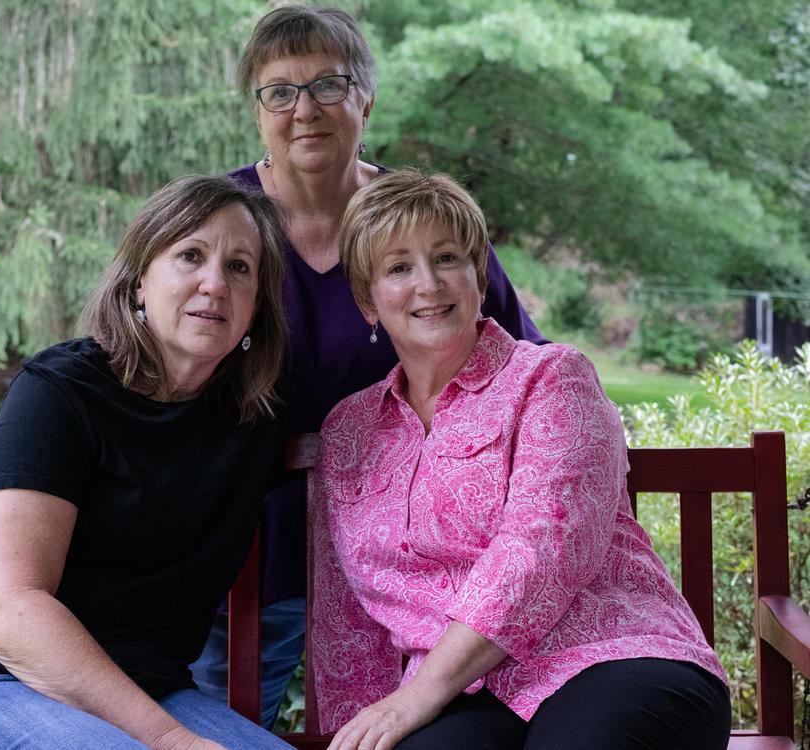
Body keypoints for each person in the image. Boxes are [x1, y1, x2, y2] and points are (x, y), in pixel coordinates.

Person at [191, 6, 547, 729]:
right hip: (248, 547)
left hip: (417, 557)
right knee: (216, 726)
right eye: (280, 91)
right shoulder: (220, 226)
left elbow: (523, 366)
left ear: (366, 100)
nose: (305, 109)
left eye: (329, 84)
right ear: (256, 111)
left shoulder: (422, 228)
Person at [310, 169, 732, 750]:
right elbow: (347, 620)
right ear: (368, 302)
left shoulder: (551, 379)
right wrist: (354, 731)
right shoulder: (350, 430)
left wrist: (417, 695)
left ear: (478, 278)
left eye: (447, 257)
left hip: (608, 654)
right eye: (398, 267)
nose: (428, 284)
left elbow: (542, 549)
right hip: (464, 698)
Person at [0, 175, 297, 750]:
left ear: (257, 307)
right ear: (139, 283)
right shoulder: (62, 393)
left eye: (240, 267)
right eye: (190, 255)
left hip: (141, 693)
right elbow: (4, 605)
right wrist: (173, 741)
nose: (214, 284)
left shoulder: (254, 419)